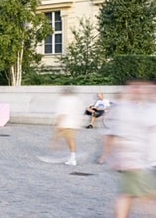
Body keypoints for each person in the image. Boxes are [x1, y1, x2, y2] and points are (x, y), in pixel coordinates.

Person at [98, 81, 156, 218]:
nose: (142, 91)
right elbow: (115, 136)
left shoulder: (137, 109)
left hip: (137, 161)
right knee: (145, 196)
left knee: (128, 195)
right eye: (137, 89)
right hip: (135, 162)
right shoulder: (128, 109)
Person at [54, 86, 85, 166]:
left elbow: (63, 112)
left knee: (69, 140)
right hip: (73, 123)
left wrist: (58, 124)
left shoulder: (64, 100)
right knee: (70, 140)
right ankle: (72, 157)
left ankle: (72, 158)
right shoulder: (76, 100)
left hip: (66, 123)